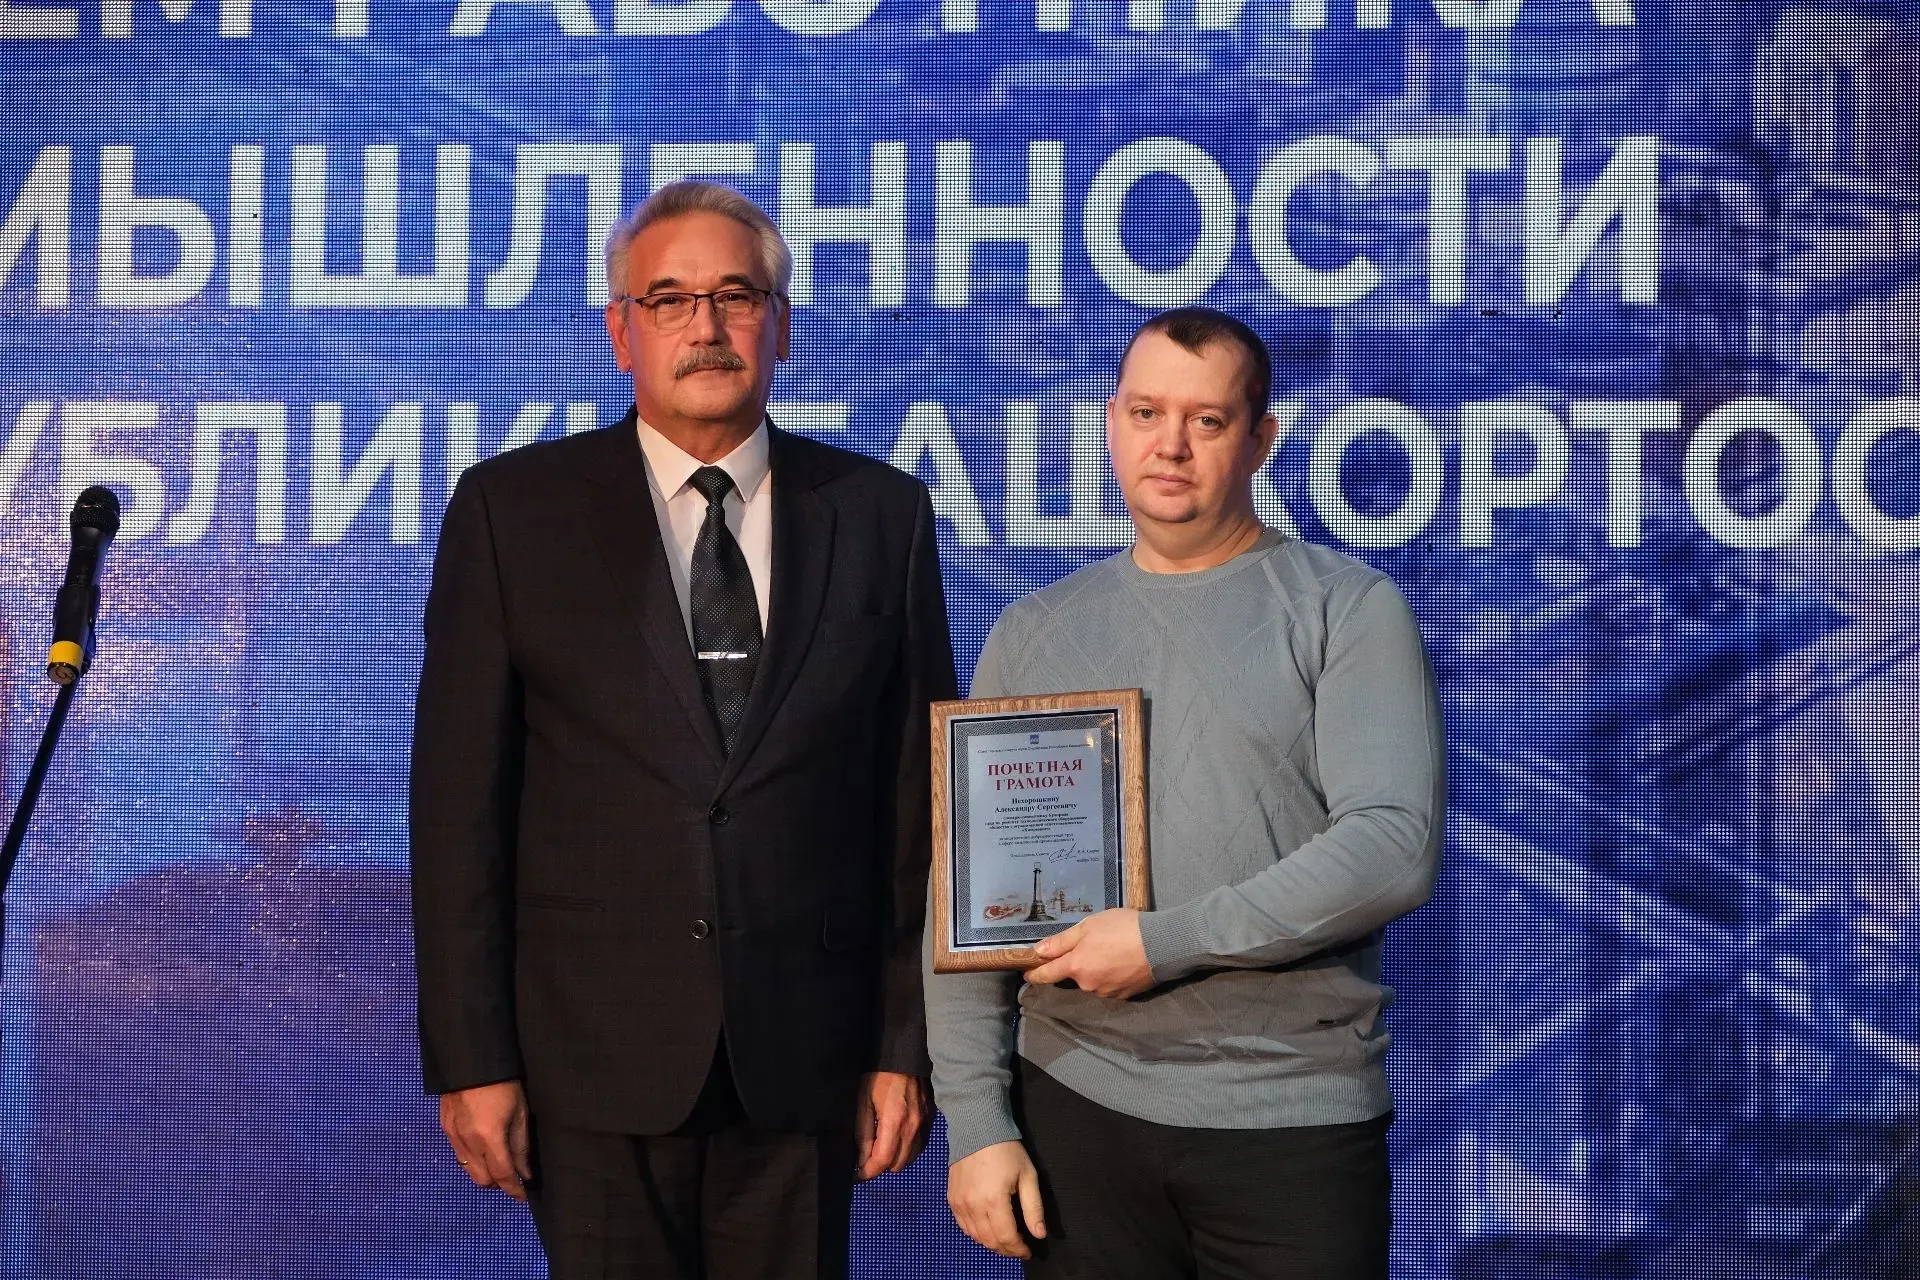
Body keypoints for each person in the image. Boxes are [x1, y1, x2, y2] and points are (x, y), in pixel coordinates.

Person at [410, 180, 957, 1280]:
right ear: (622, 332)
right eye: (669, 299)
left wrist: (908, 1044)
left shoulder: (881, 513)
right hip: (587, 1062)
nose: (706, 325)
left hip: (808, 1058)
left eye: (736, 296)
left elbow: (917, 809)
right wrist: (471, 1059)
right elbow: (459, 812)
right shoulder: (512, 511)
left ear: (781, 325)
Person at [926, 306, 1445, 1279]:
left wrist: (1163, 942)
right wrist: (978, 1119)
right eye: (1146, 412)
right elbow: (968, 904)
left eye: (1207, 420)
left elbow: (1392, 847)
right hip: (1073, 1110)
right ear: (1110, 421)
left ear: (1261, 438)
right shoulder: (1033, 630)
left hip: (1290, 1121)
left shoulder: (1347, 608)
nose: (1170, 445)